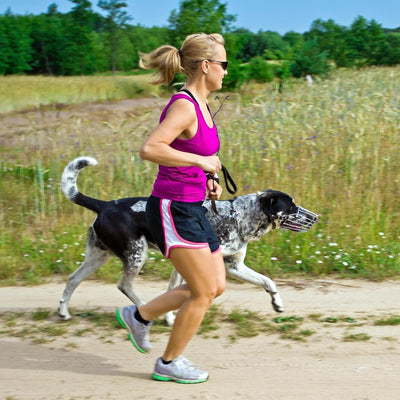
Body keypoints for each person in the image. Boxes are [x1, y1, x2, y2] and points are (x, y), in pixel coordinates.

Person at [116, 33, 229, 384]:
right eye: (223, 65)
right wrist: (200, 161)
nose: (227, 71)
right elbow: (151, 148)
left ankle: (141, 315)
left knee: (216, 286)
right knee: (202, 291)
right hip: (172, 208)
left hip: (193, 204)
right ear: (206, 66)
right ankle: (169, 361)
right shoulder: (184, 104)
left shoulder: (204, 103)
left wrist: (206, 174)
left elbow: (194, 153)